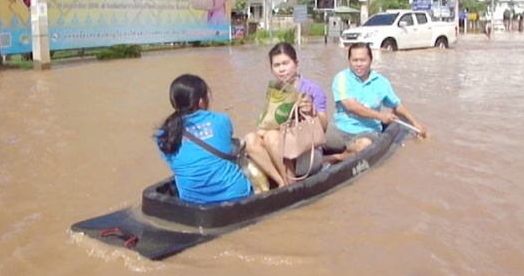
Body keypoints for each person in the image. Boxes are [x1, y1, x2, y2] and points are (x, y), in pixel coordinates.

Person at [155, 74, 252, 204]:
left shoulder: (163, 134)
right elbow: (226, 145)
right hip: (235, 194)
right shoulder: (220, 119)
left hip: (192, 202)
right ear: (201, 102)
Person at [323, 43, 427, 163]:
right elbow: (350, 105)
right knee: (310, 138)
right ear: (349, 61)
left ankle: (337, 157)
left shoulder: (381, 82)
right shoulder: (341, 78)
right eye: (355, 60)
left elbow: (397, 105)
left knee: (364, 145)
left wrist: (415, 123)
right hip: (339, 129)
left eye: (363, 60)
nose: (358, 64)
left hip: (368, 131)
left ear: (370, 60)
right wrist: (381, 116)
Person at [244, 43, 328, 187]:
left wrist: (312, 112)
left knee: (271, 136)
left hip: (307, 153)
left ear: (296, 64)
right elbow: (264, 126)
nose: (281, 69)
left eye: (285, 63)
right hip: (280, 150)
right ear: (271, 69)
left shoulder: (311, 89)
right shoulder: (275, 92)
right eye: (276, 65)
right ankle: (282, 181)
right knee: (250, 139)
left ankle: (288, 183)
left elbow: (324, 127)